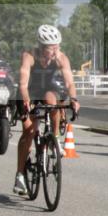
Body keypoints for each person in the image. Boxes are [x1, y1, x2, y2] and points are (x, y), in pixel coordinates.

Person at [13, 24, 80, 195]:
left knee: (52, 101)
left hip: (47, 89)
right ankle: (20, 175)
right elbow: (22, 84)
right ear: (42, 47)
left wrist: (74, 99)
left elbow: (69, 83)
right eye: (52, 47)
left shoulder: (61, 58)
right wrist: (26, 100)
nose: (56, 50)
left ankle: (54, 137)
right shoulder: (29, 56)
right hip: (28, 91)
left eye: (58, 46)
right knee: (29, 131)